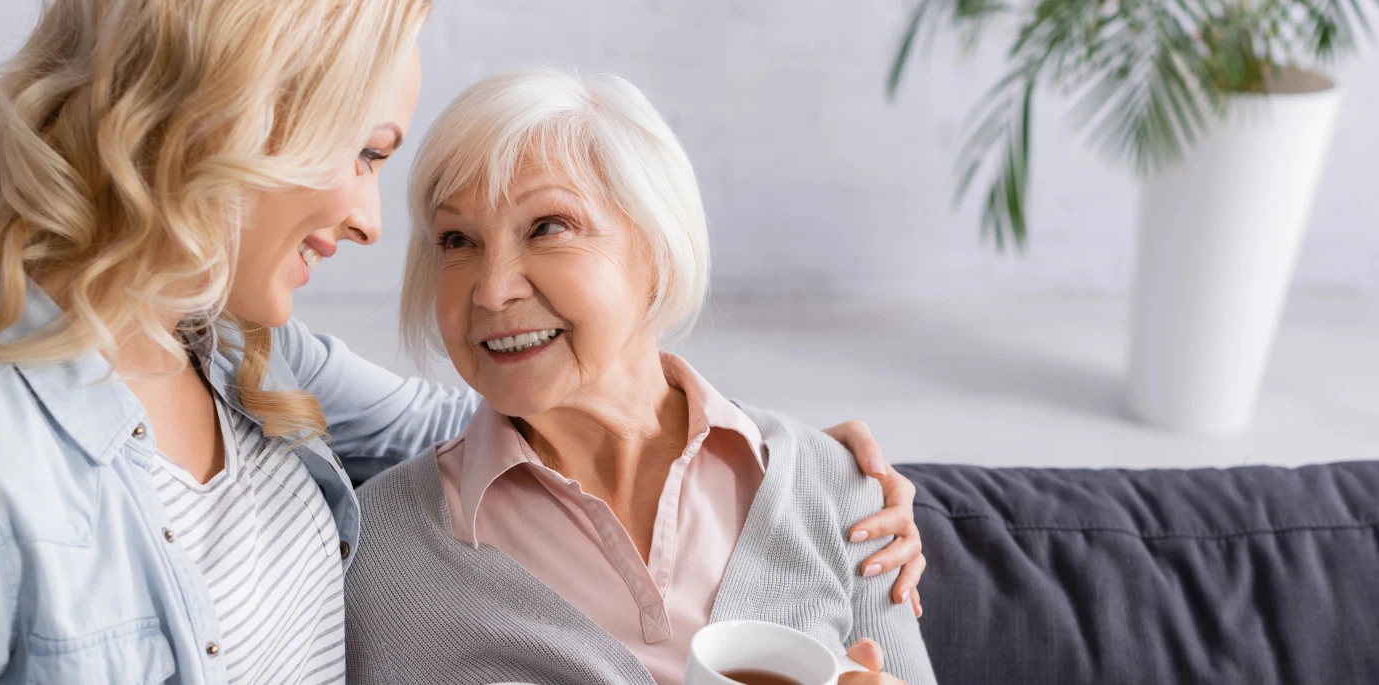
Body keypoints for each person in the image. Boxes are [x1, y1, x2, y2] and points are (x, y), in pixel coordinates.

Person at [0, 2, 924, 684]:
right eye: (369, 153)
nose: (373, 222)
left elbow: (511, 422)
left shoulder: (239, 360)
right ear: (234, 118)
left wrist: (801, 467)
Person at [345, 68, 937, 685]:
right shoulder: (384, 550)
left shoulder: (839, 488)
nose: (491, 291)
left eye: (548, 227)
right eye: (457, 240)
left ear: (655, 245)